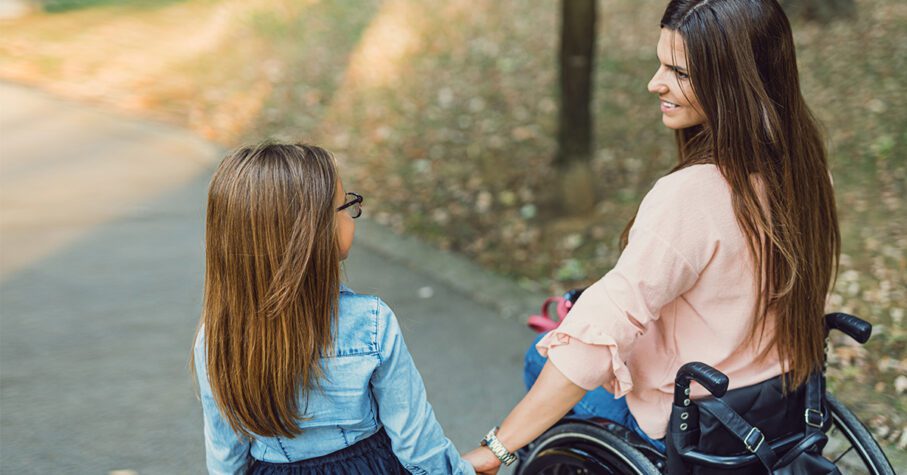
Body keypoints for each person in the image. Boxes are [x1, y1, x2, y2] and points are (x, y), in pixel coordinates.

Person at [464, 0, 840, 472]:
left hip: (692, 423)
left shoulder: (693, 195)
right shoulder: (806, 169)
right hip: (780, 406)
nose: (654, 82)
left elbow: (597, 337)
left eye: (678, 72)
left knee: (543, 361)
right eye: (661, 62)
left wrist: (497, 449)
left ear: (733, 83)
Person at [192, 143, 474, 475]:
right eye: (346, 206)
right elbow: (417, 444)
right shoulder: (370, 323)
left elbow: (226, 453)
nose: (352, 213)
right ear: (312, 232)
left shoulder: (215, 339)